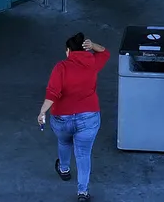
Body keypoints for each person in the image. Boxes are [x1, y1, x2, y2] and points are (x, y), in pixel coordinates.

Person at [37, 32, 110, 201]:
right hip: (89, 117)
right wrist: (93, 46)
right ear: (84, 49)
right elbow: (105, 53)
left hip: (62, 118)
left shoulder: (61, 67)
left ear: (68, 51)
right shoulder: (91, 62)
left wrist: (42, 112)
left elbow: (52, 93)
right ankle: (82, 192)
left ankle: (64, 170)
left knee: (64, 141)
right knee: (83, 154)